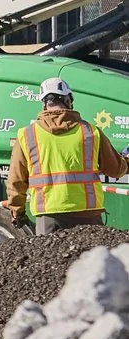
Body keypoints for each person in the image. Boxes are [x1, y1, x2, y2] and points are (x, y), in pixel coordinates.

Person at [10, 77, 124, 234]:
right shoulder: (90, 132)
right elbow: (116, 169)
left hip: (48, 216)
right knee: (92, 258)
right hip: (88, 215)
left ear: (44, 104)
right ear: (69, 100)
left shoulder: (27, 135)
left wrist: (17, 211)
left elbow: (16, 180)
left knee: (49, 258)